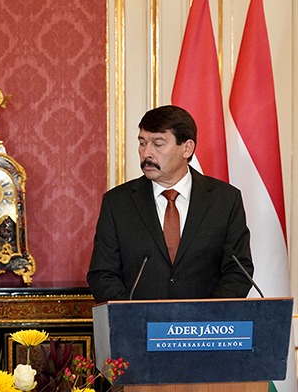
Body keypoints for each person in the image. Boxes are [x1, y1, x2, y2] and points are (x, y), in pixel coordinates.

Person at [87, 105, 254, 303]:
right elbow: (103, 274)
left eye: (158, 144)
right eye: (142, 143)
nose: (146, 153)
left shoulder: (225, 200)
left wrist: (208, 315)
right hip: (138, 321)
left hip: (207, 322)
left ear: (187, 148)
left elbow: (238, 270)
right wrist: (134, 315)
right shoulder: (117, 203)